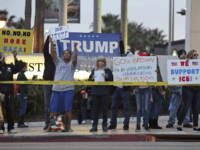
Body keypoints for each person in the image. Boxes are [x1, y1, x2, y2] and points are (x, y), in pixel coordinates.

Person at [46, 37, 78, 132]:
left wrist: (75, 47)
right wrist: (51, 42)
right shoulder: (58, 62)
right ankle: (49, 127)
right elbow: (52, 54)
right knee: (53, 110)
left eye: (68, 53)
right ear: (62, 55)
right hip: (56, 89)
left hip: (68, 89)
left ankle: (69, 127)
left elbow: (75, 59)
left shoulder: (72, 65)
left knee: (68, 109)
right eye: (65, 53)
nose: (66, 54)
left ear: (70, 55)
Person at [166, 49, 193, 128]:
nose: (184, 55)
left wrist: (189, 61)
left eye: (185, 54)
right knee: (174, 106)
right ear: (179, 56)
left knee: (186, 106)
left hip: (187, 88)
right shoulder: (175, 64)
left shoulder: (189, 63)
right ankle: (171, 122)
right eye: (182, 54)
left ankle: (186, 122)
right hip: (177, 89)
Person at [177, 50, 200, 133]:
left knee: (196, 108)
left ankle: (196, 126)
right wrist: (185, 61)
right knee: (186, 107)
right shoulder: (186, 62)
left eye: (197, 54)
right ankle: (179, 125)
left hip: (197, 89)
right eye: (194, 55)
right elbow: (178, 68)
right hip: (187, 88)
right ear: (191, 56)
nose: (196, 56)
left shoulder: (198, 64)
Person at [107, 52, 132, 131]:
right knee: (114, 106)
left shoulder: (132, 67)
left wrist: (128, 84)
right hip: (117, 88)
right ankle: (113, 124)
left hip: (126, 89)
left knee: (126, 107)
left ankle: (126, 125)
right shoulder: (119, 64)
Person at [89, 56, 113, 132]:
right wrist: (92, 79)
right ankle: (94, 126)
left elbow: (112, 81)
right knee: (95, 110)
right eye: (99, 61)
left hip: (105, 93)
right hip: (95, 92)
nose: (100, 63)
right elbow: (89, 81)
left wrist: (106, 76)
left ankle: (104, 125)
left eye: (102, 61)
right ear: (97, 63)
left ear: (104, 63)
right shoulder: (94, 70)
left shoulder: (108, 70)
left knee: (105, 110)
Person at [0, 51, 21, 134]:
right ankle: (1, 128)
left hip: (9, 93)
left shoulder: (9, 66)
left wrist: (15, 57)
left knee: (10, 110)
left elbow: (18, 68)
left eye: (2, 58)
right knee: (0, 112)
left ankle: (11, 128)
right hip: (0, 93)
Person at [134, 52, 151, 132]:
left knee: (146, 108)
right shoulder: (136, 66)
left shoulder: (150, 66)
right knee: (139, 108)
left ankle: (146, 125)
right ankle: (138, 126)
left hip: (147, 88)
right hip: (138, 89)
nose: (146, 58)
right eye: (145, 57)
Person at [148, 54, 166, 129]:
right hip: (156, 90)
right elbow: (158, 80)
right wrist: (162, 91)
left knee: (152, 107)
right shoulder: (155, 68)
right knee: (159, 107)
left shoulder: (150, 67)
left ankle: (151, 123)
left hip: (150, 90)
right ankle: (154, 123)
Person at [43, 36, 56, 130]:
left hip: (57, 83)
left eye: (55, 47)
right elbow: (44, 49)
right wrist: (48, 40)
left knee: (56, 103)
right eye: (53, 47)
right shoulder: (48, 57)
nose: (54, 48)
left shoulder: (59, 58)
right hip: (47, 82)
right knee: (47, 104)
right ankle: (47, 123)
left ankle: (55, 123)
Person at [17, 62, 28, 128]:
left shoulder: (21, 74)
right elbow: (20, 85)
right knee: (23, 108)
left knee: (23, 107)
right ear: (23, 67)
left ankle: (21, 123)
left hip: (22, 93)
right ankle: (20, 123)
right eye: (26, 66)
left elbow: (24, 85)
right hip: (22, 94)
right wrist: (24, 94)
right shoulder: (21, 74)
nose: (26, 67)